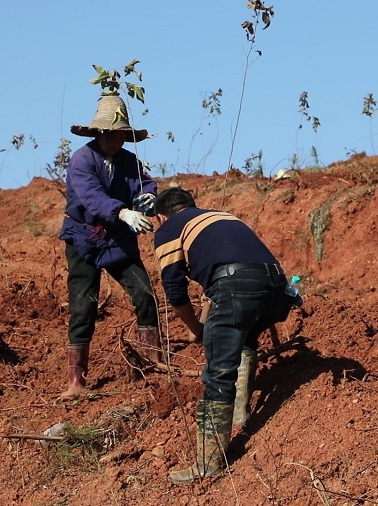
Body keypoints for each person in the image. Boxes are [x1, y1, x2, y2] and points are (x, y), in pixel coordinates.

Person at [153, 188, 289, 484]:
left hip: (235, 285)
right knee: (245, 340)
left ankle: (208, 463)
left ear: (160, 217)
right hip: (277, 287)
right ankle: (240, 417)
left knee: (218, 372)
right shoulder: (221, 217)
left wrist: (196, 328)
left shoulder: (168, 229)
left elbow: (174, 290)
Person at [57, 94, 163, 402]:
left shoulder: (128, 160)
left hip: (118, 238)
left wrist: (148, 198)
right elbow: (92, 198)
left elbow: (144, 184)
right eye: (113, 134)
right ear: (100, 133)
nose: (118, 140)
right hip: (84, 239)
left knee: (145, 294)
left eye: (122, 135)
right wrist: (123, 212)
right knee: (83, 305)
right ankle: (76, 380)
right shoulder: (81, 160)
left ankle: (153, 363)